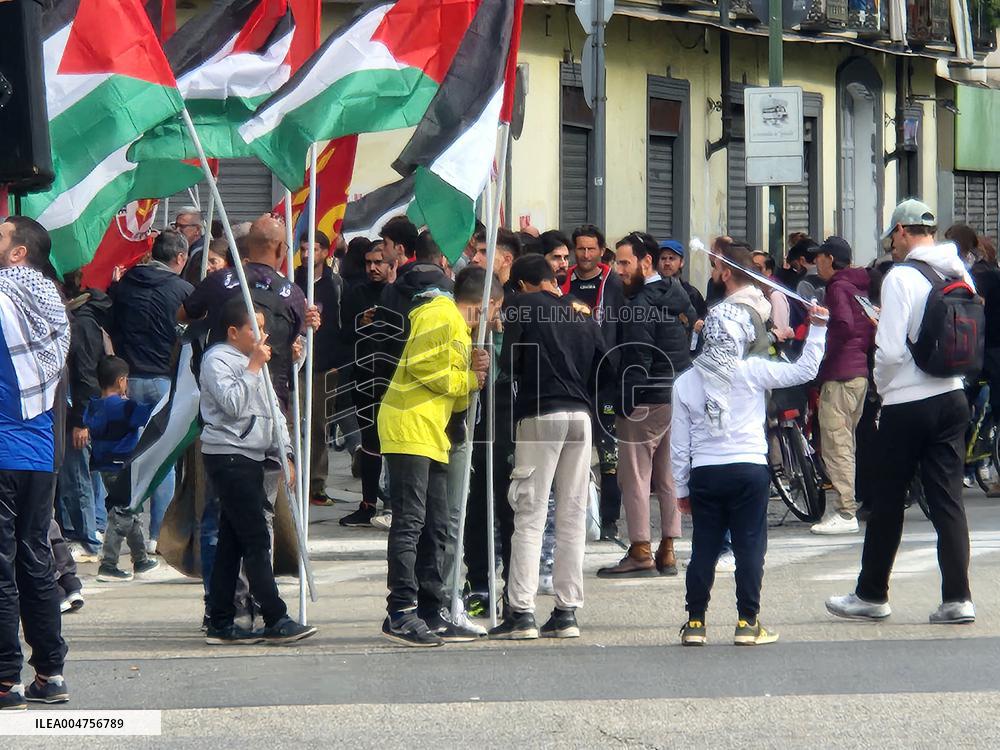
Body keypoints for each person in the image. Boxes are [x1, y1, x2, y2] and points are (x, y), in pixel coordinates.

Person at [826, 199, 978, 625]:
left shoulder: (901, 278)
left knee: (888, 500)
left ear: (901, 232)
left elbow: (890, 350)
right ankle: (958, 599)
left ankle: (872, 594)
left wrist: (882, 384)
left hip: (907, 401)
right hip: (953, 395)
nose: (891, 244)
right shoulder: (957, 270)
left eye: (893, 235)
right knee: (948, 500)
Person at [674, 300, 828, 647]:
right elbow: (804, 371)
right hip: (749, 467)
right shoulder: (752, 370)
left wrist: (681, 487)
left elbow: (679, 445)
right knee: (749, 547)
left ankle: (695, 621)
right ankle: (748, 621)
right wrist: (817, 328)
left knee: (704, 547)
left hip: (705, 471)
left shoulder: (685, 382)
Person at [487, 255, 605, 639]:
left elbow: (509, 362)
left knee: (530, 513)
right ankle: (566, 611)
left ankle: (520, 611)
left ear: (520, 284)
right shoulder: (580, 311)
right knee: (572, 516)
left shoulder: (520, 304)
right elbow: (606, 366)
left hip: (540, 413)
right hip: (581, 417)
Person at [378, 267, 491, 647]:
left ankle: (431, 607)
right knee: (411, 522)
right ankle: (401, 611)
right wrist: (468, 379)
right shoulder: (440, 312)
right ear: (485, 304)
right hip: (410, 427)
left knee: (436, 525)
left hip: (432, 432)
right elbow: (425, 367)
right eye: (497, 310)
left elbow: (455, 395)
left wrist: (471, 375)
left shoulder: (459, 329)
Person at [200, 298, 316, 645]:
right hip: (228, 454)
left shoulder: (259, 362)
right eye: (255, 328)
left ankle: (220, 619)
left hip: (253, 456)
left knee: (232, 543)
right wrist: (251, 368)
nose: (262, 334)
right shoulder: (217, 359)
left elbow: (273, 410)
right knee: (255, 537)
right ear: (234, 332)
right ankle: (275, 615)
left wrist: (287, 452)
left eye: (264, 327)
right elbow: (233, 404)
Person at [0, 216, 71, 708]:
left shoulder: (4, 299)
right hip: (39, 452)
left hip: (2, 451)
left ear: (18, 252)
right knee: (36, 560)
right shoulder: (48, 304)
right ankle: (50, 671)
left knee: (2, 567)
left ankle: (4, 679)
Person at [597, 233, 694, 578]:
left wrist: (626, 400)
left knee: (635, 476)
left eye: (624, 262)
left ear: (646, 262)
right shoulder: (676, 294)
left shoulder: (639, 304)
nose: (618, 269)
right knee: (667, 476)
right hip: (675, 397)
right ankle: (668, 549)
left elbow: (638, 356)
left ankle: (640, 550)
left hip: (646, 398)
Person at [109, 229, 194, 549]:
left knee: (124, 459)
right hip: (164, 381)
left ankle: (118, 530)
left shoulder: (126, 284)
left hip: (126, 380)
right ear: (181, 258)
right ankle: (159, 533)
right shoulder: (184, 289)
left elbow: (112, 323)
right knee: (163, 459)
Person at [562, 224, 624, 540]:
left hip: (606, 377)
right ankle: (573, 516)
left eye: (591, 249)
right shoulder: (564, 282)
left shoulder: (612, 282)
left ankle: (610, 519)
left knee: (609, 451)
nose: (585, 255)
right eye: (581, 249)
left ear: (601, 250)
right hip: (572, 376)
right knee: (571, 448)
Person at [810, 237, 875, 535]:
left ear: (830, 259)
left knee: (837, 445)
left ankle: (845, 512)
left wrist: (822, 348)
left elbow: (844, 326)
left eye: (819, 257)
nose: (815, 263)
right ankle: (850, 503)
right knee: (848, 442)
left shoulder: (837, 287)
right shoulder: (858, 286)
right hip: (859, 372)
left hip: (840, 375)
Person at [86, 357, 160, 582]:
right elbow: (149, 413)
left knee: (130, 507)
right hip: (123, 465)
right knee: (123, 512)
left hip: (104, 465)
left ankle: (140, 560)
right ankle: (109, 563)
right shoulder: (123, 406)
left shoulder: (94, 406)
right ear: (121, 381)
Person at [58, 277, 113, 561]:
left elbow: (84, 375)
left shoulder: (78, 325)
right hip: (89, 407)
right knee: (89, 474)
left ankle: (87, 538)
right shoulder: (90, 318)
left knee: (78, 475)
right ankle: (96, 527)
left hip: (79, 411)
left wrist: (80, 421)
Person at [340, 243, 393, 526]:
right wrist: (361, 321)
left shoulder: (398, 293)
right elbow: (344, 334)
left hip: (395, 379)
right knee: (370, 442)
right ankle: (367, 503)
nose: (373, 268)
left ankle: (394, 503)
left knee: (394, 444)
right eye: (369, 262)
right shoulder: (356, 292)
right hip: (365, 377)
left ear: (392, 265)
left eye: (379, 262)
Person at [294, 230, 346, 506]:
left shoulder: (334, 283)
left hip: (325, 365)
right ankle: (291, 477)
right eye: (303, 249)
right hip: (296, 364)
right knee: (293, 424)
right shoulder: (292, 280)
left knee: (318, 426)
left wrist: (339, 363)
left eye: (312, 249)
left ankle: (316, 482)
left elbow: (342, 323)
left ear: (325, 252)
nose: (306, 255)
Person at [657, 239, 708, 325]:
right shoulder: (651, 292)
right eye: (663, 258)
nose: (667, 263)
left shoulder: (692, 294)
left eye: (672, 258)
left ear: (681, 262)